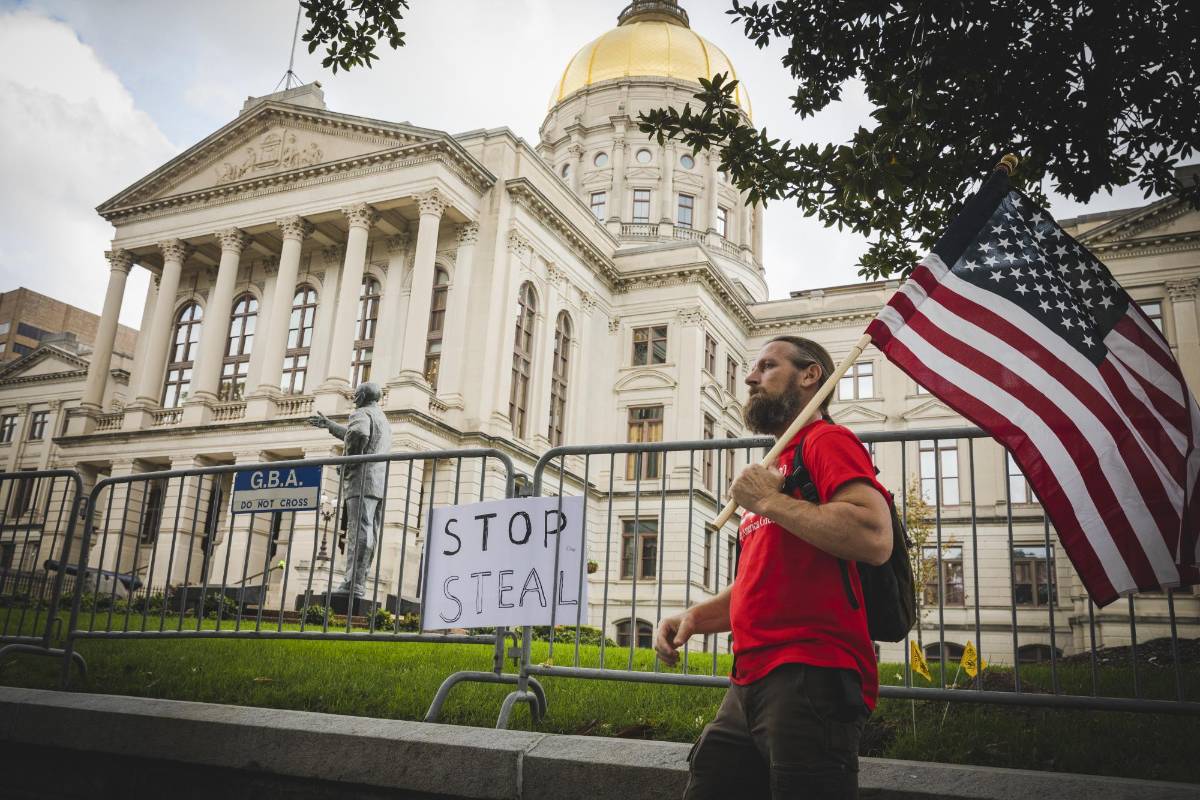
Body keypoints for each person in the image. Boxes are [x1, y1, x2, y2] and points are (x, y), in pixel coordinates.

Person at [654, 336, 893, 799]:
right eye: (753, 368)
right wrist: (695, 618)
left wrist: (766, 501)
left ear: (809, 375)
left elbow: (874, 536)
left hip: (811, 676)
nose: (749, 378)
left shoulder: (827, 441)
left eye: (766, 366)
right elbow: (758, 583)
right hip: (749, 680)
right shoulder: (776, 464)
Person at [308, 381, 390, 598]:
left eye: (356, 395)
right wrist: (330, 425)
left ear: (361, 397)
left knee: (358, 531)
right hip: (377, 481)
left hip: (361, 479)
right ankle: (358, 582)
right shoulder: (381, 417)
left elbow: (359, 434)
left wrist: (348, 462)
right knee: (369, 531)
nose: (354, 398)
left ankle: (352, 584)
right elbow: (357, 434)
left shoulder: (360, 413)